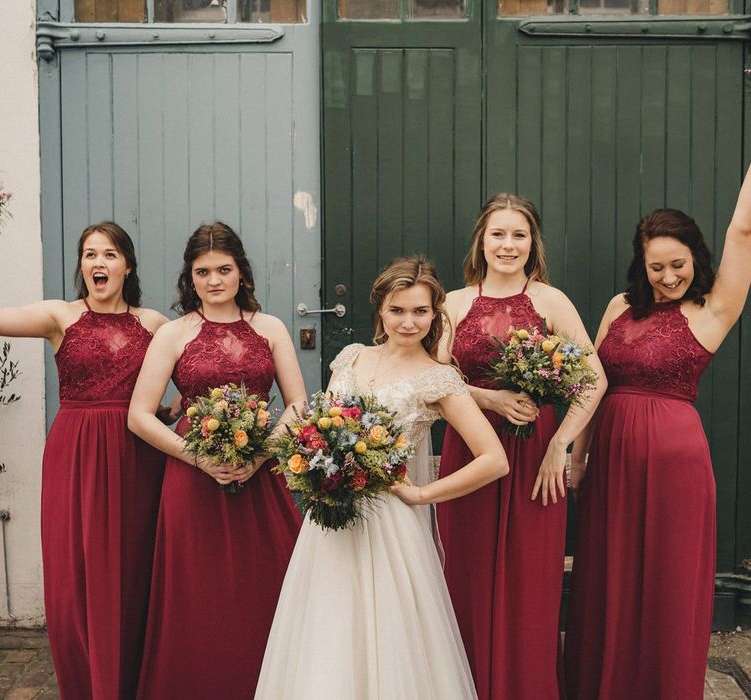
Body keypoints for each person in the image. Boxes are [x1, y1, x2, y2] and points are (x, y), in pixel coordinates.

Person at [255, 256, 510, 699]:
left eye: (420, 311)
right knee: (328, 625)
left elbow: (494, 459)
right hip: (330, 518)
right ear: (380, 310)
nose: (408, 322)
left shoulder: (439, 379)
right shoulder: (352, 357)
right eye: (397, 310)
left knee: (390, 633)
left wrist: (423, 493)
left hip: (389, 521)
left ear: (435, 315)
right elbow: (322, 425)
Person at [564, 167, 751, 700]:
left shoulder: (714, 308)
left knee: (667, 579)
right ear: (639, 265)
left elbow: (743, 231)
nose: (668, 277)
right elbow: (591, 387)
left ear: (697, 259)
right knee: (609, 577)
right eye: (656, 267)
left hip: (675, 461)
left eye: (678, 265)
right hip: (611, 459)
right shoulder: (619, 308)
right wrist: (579, 458)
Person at [0, 222, 168, 699]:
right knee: (76, 573)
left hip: (136, 454)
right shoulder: (58, 316)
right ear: (81, 265)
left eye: (109, 254)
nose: (98, 264)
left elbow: (192, 385)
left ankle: (131, 680)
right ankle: (88, 684)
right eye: (89, 255)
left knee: (132, 566)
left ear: (128, 265)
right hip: (75, 452)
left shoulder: (155, 325)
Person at [436, 194, 606, 699]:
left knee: (529, 582)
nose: (508, 245)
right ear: (480, 241)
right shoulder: (454, 302)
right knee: (464, 574)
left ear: (533, 243)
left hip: (535, 458)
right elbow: (432, 377)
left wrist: (561, 445)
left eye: (519, 235)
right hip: (468, 450)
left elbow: (592, 378)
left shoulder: (551, 302)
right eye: (498, 234)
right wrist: (489, 395)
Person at [127, 222, 305, 700]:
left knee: (265, 584)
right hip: (192, 476)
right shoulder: (174, 333)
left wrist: (261, 452)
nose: (213, 280)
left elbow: (298, 405)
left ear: (241, 272)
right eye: (202, 271)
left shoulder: (270, 328)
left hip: (260, 473)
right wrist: (199, 460)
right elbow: (140, 416)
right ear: (190, 277)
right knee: (198, 594)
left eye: (223, 269)